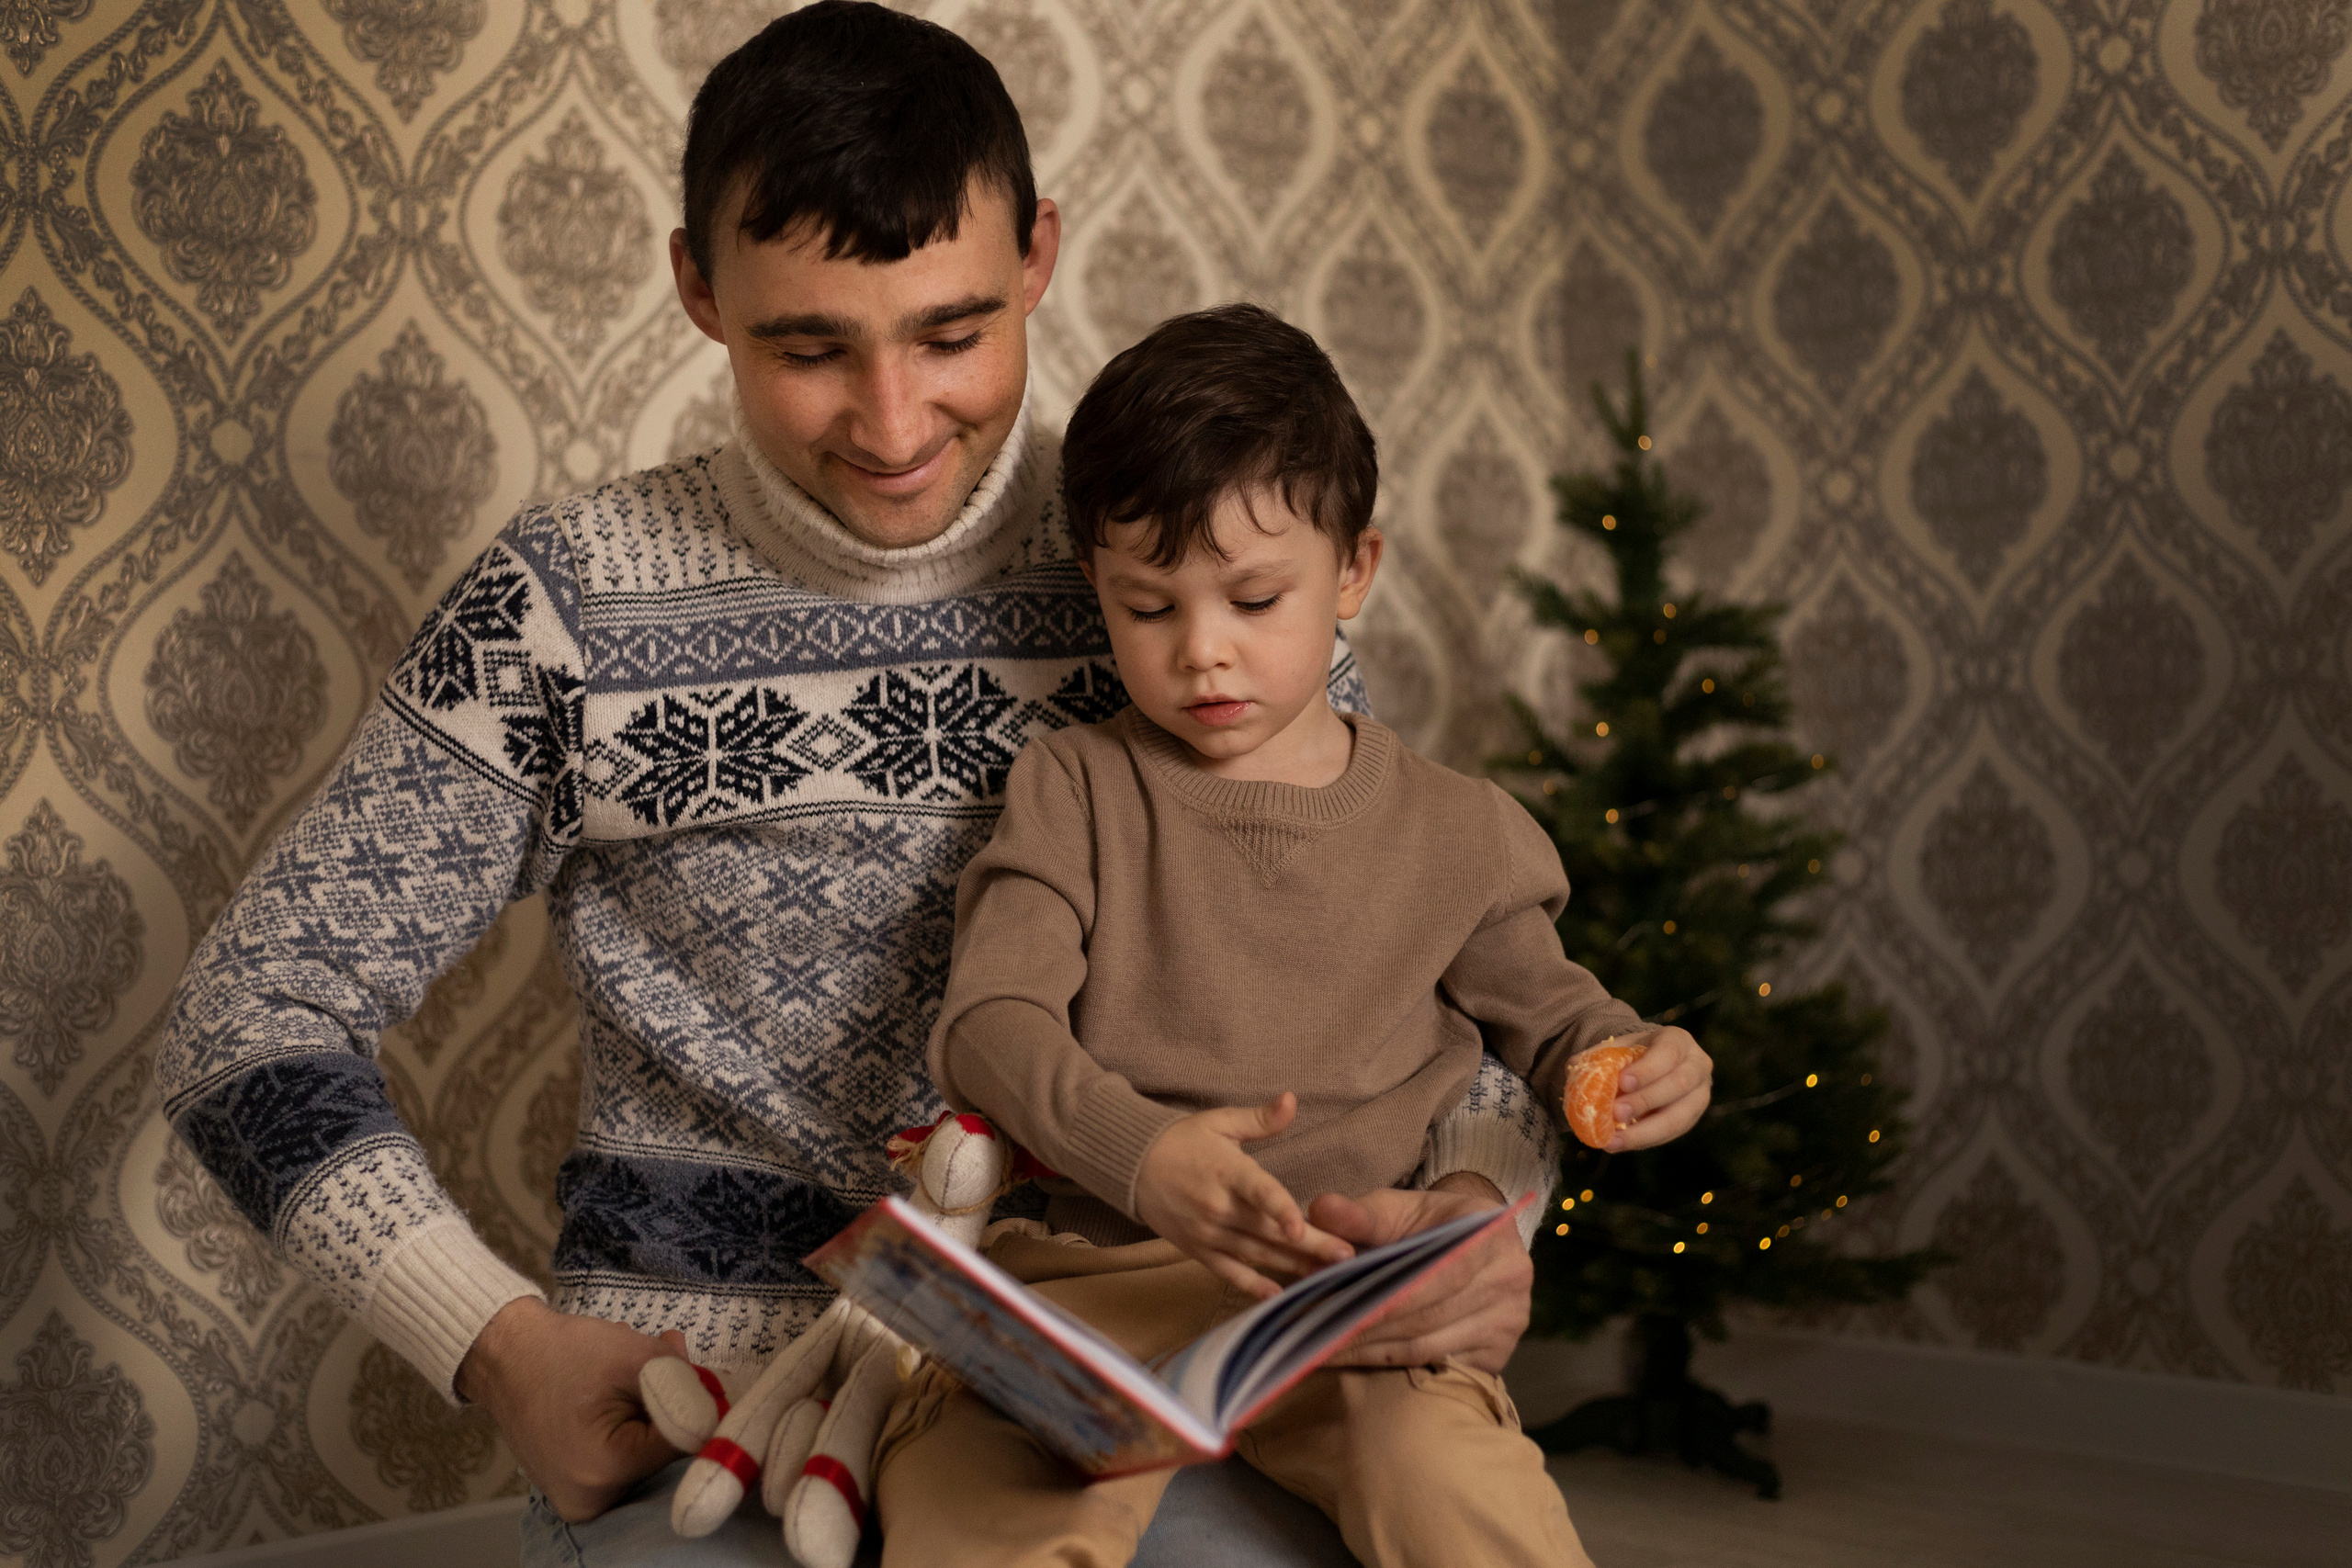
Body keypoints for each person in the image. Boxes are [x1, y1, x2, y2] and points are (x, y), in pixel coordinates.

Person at [155, 5, 1713, 1562]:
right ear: (699, 289)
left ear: (1037, 255)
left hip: (1165, 1358)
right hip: (724, 1390)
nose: (895, 425)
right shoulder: (562, 610)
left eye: (953, 334)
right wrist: (492, 1342)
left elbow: (1413, 964)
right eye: (808, 346)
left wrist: (1479, 1212)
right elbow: (252, 1012)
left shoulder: (1184, 557)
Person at [875, 304, 1707, 1568]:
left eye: (1256, 598)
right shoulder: (1075, 788)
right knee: (975, 1503)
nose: (1202, 652)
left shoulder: (1461, 831)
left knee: (1453, 1485)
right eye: (1146, 607)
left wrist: (1636, 1069)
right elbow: (990, 1028)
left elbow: (1561, 1027)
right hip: (1087, 1292)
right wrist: (1141, 1153)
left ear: (1353, 570)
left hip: (1341, 1303)